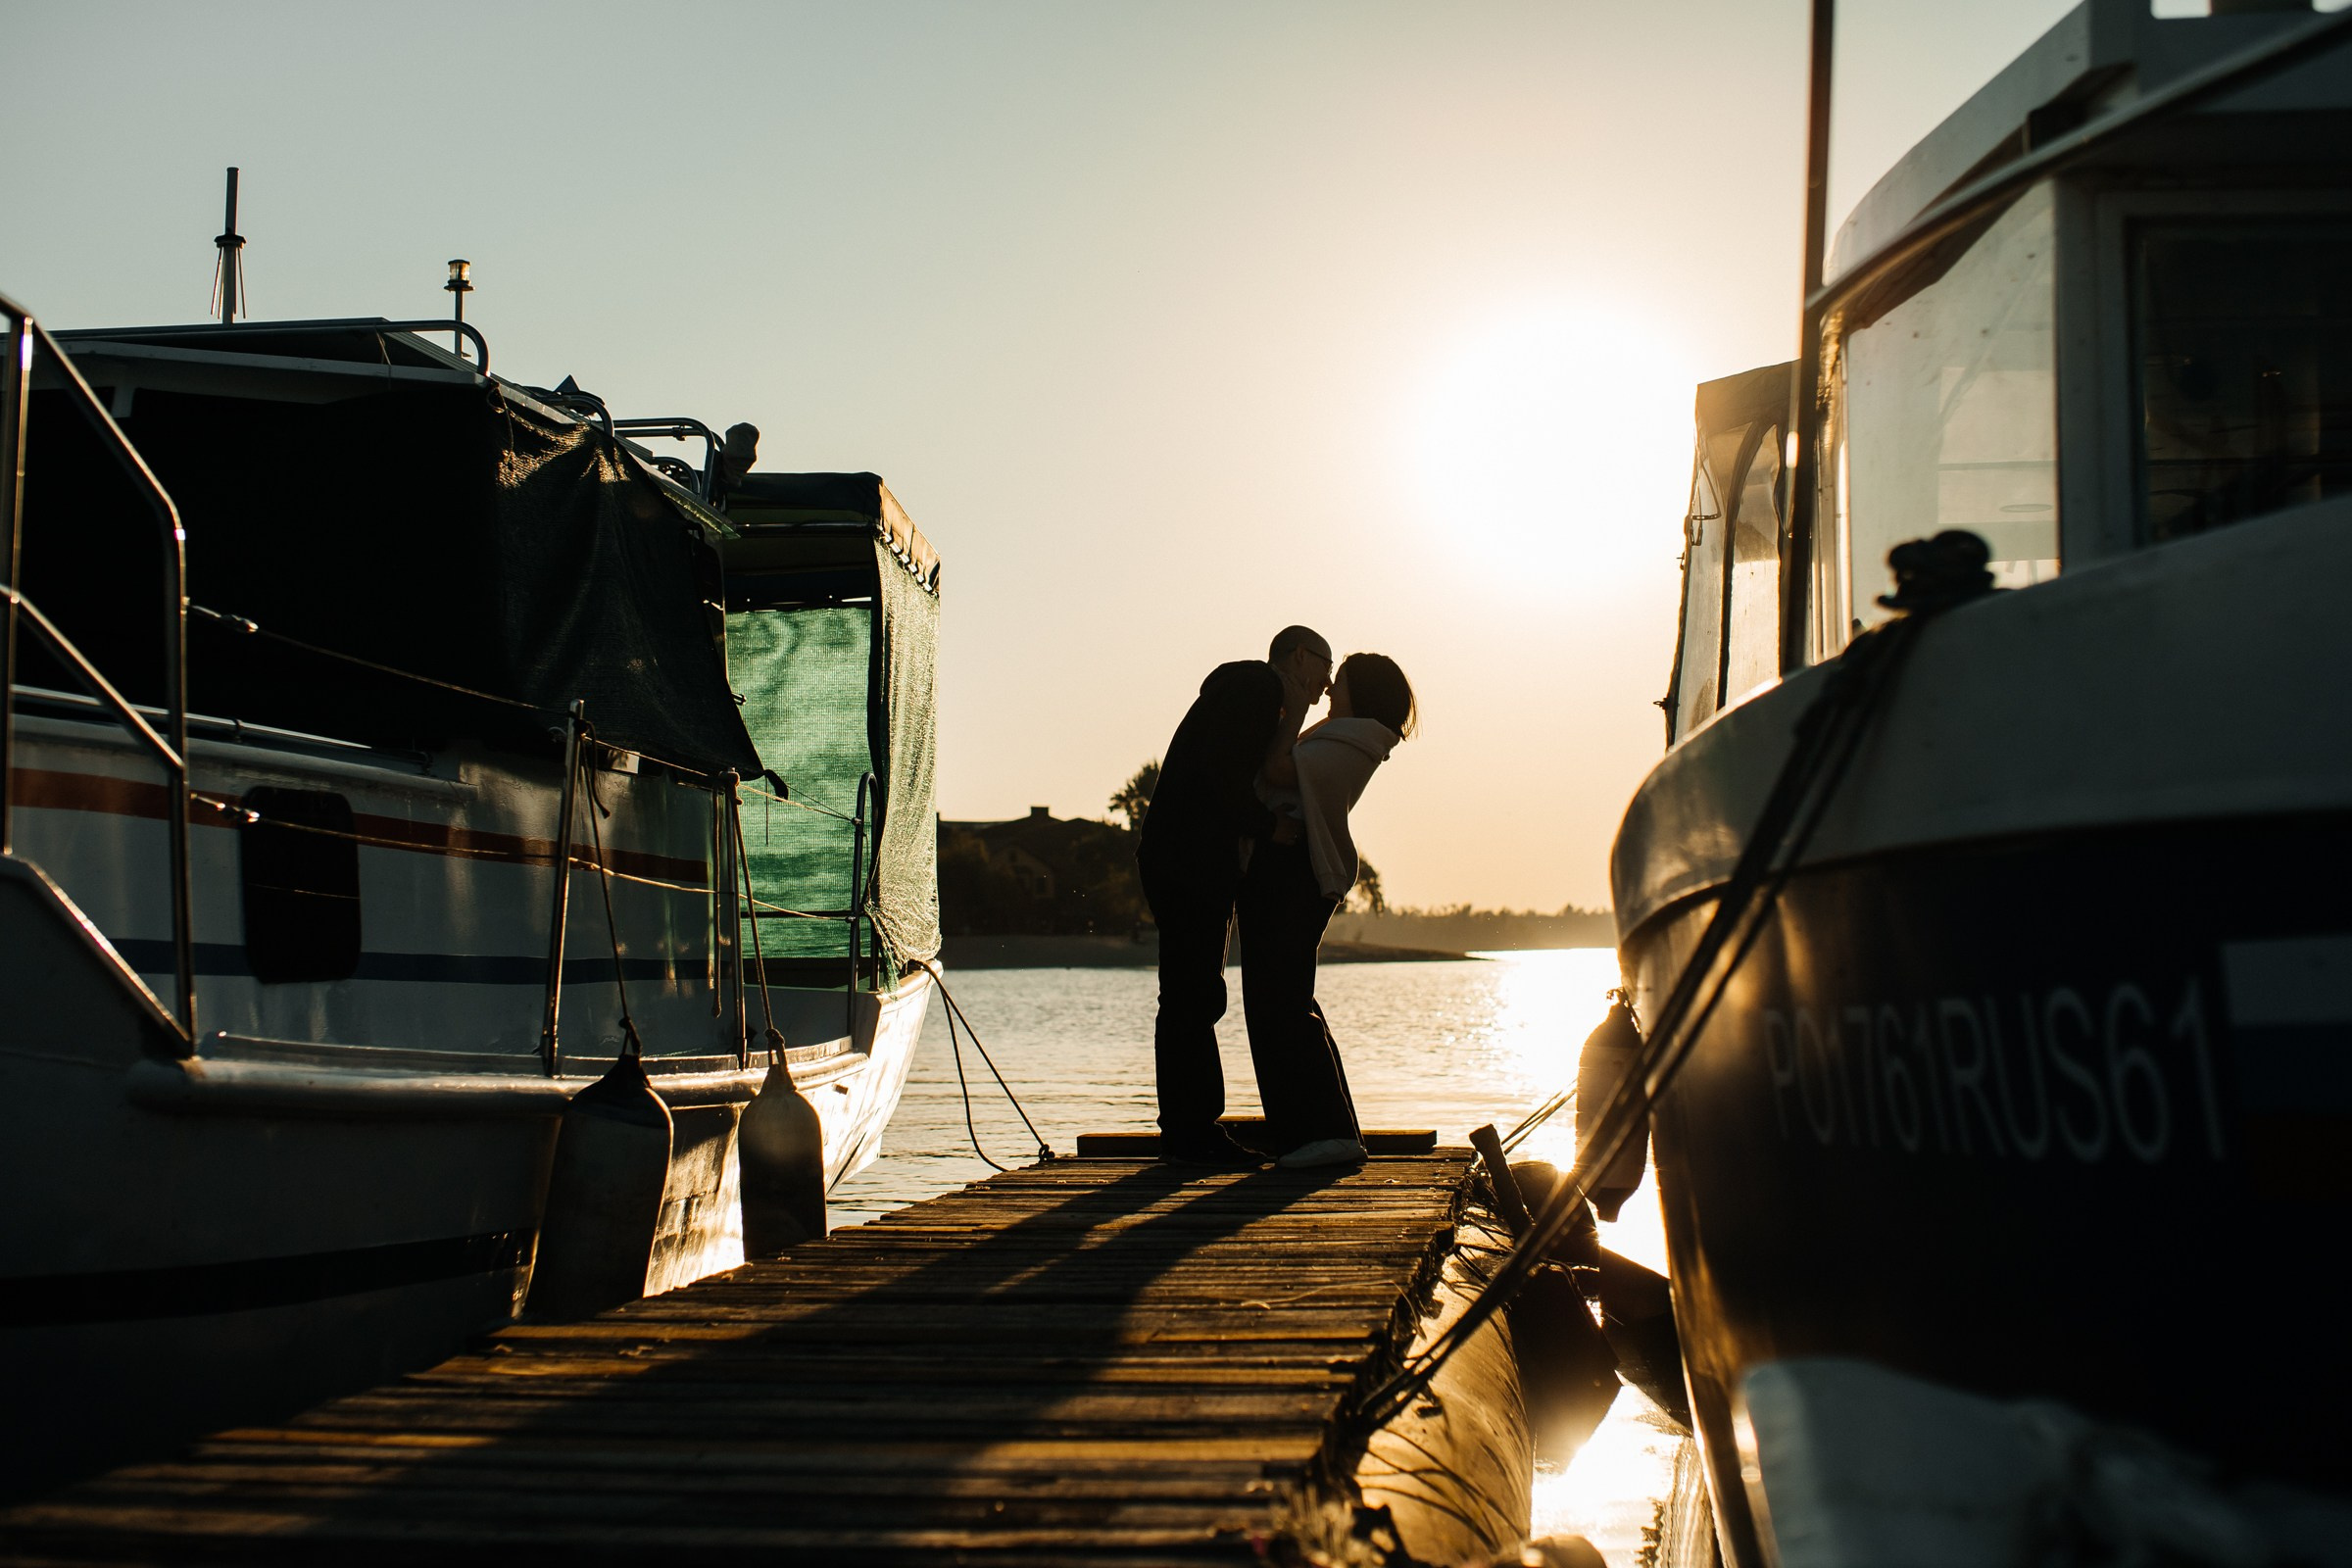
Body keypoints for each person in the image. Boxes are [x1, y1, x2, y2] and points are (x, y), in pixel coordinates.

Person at [1137, 626, 1335, 1166]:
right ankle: (1190, 1134)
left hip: (1190, 855)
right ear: (1299, 656)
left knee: (1192, 992)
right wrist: (1268, 826)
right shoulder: (1257, 690)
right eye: (1324, 669)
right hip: (1187, 857)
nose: (1326, 687)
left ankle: (1190, 1129)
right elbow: (1219, 775)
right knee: (1191, 994)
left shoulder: (1258, 694)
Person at [1239, 653, 1417, 1169]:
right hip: (1284, 867)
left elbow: (1277, 768)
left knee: (1284, 1002)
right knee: (1279, 1001)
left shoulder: (1357, 741)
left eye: (1339, 684)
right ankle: (1311, 1132)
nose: (1330, 691)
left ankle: (1328, 1132)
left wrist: (1291, 708)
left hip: (1298, 870)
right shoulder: (1347, 734)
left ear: (1361, 692)